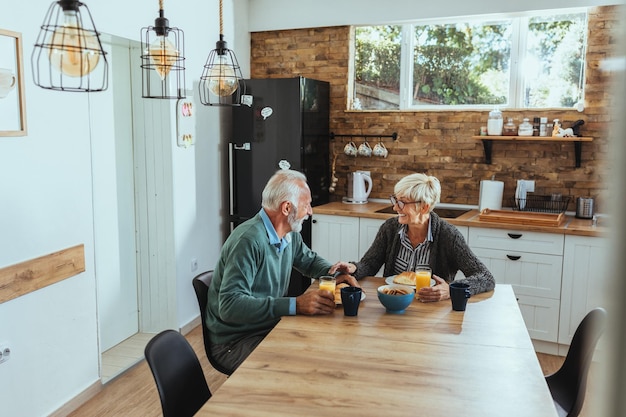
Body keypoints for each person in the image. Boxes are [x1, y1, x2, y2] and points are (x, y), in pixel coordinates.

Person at [205, 169, 358, 374]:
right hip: (235, 342)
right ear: (287, 208)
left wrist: (335, 273)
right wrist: (296, 304)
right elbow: (230, 306)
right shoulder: (249, 241)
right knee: (302, 369)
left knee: (322, 352)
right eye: (307, 205)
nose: (310, 211)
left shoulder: (288, 234)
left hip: (267, 327)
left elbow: (308, 261)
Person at [343, 172, 494, 302]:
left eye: (402, 202)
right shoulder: (390, 228)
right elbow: (370, 264)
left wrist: (451, 290)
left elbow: (485, 277)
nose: (395, 207)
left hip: (432, 312)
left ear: (424, 207)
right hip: (394, 304)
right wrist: (354, 267)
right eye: (395, 200)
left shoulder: (449, 236)